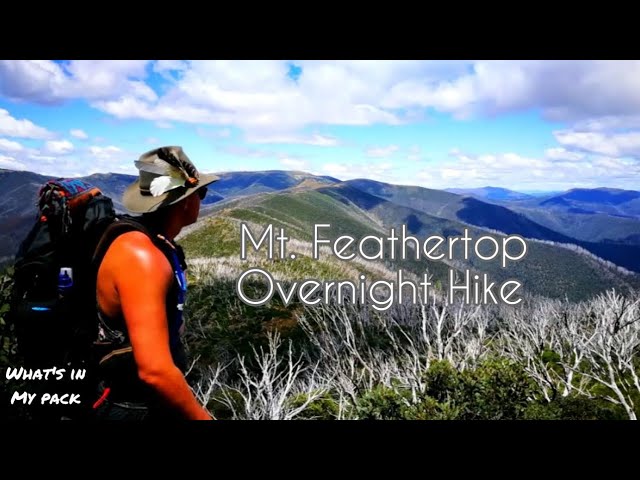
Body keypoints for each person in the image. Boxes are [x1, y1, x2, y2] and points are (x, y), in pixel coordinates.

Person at [91, 146, 218, 421]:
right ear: (184, 201)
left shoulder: (152, 242)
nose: (202, 200)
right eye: (201, 193)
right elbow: (154, 370)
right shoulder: (143, 257)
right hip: (133, 408)